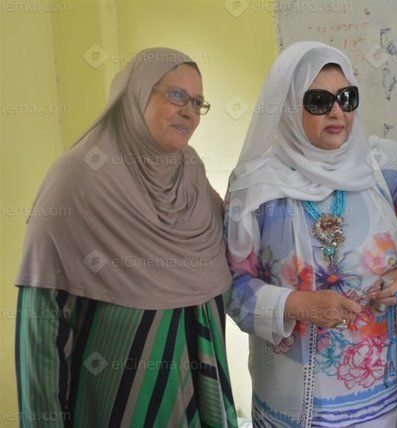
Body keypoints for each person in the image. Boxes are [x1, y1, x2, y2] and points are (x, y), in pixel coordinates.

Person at [15, 48, 238, 427]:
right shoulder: (79, 177)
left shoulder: (190, 173)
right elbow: (42, 320)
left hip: (198, 392)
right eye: (177, 95)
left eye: (198, 102)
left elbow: (229, 255)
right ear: (136, 94)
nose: (189, 111)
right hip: (113, 399)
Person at [224, 41, 397, 427]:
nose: (337, 111)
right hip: (294, 400)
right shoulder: (255, 187)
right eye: (319, 101)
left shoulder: (385, 165)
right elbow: (232, 287)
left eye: (346, 97)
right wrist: (297, 305)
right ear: (288, 106)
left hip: (384, 393)